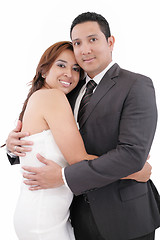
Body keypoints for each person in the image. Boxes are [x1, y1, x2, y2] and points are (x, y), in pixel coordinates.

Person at [6, 12, 160, 240]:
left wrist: (64, 176)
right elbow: (48, 140)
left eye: (93, 39)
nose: (85, 49)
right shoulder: (67, 89)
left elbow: (131, 154)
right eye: (77, 43)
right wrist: (12, 146)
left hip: (125, 216)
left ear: (110, 42)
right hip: (78, 217)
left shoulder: (136, 85)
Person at [11, 41, 100, 240]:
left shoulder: (42, 97)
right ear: (44, 71)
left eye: (76, 68)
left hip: (43, 214)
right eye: (61, 65)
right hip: (42, 218)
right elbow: (79, 160)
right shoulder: (53, 97)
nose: (69, 73)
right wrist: (132, 168)